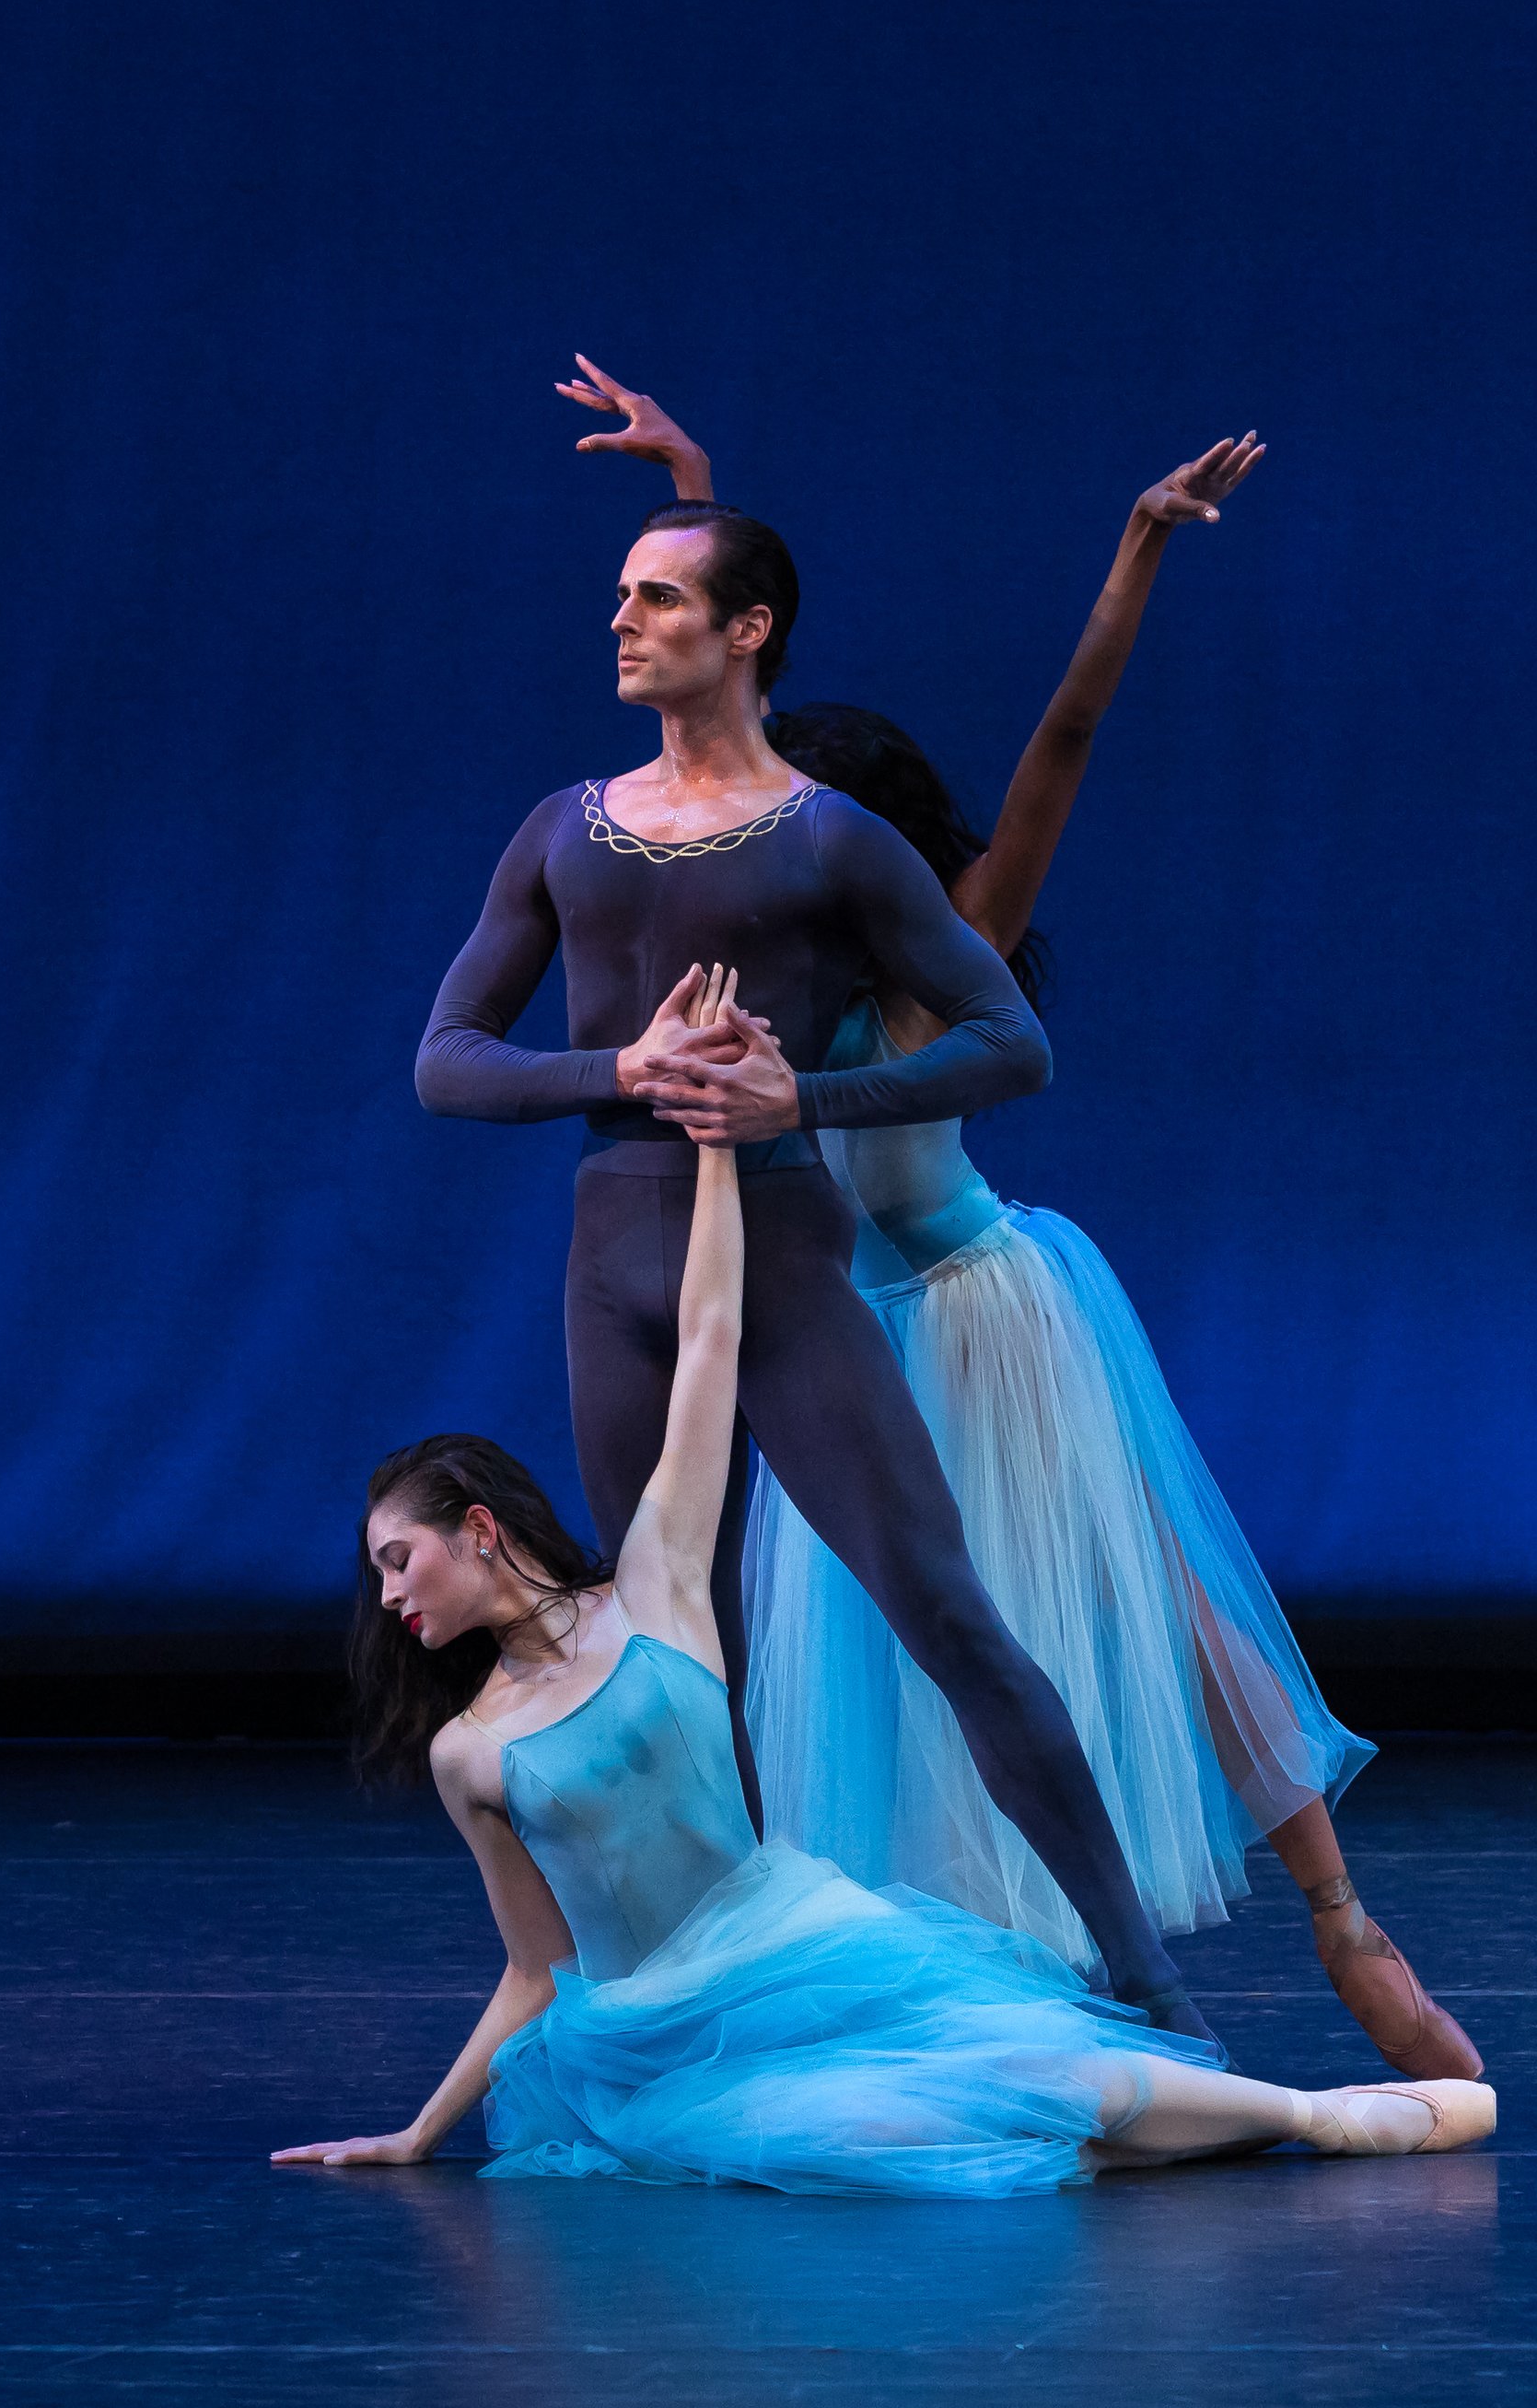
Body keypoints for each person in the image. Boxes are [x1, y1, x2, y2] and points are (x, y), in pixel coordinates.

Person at [557, 357, 1480, 2083]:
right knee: (910, 1661)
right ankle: (957, 1975)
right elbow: (725, 675)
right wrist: (691, 472)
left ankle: (1344, 1912)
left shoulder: (928, 930)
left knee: (1162, 1603)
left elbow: (1061, 737)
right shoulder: (745, 949)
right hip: (843, 1329)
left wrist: (1137, 549)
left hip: (983, 1308)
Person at [273, 999, 1496, 2192]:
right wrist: (417, 2134)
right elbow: (536, 1973)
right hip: (655, 2041)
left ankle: (1326, 2118)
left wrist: (717, 1145)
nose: (389, 1597)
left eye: (397, 1557)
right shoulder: (468, 1747)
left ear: (476, 1528)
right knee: (877, 2127)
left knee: (1025, 2064)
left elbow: (710, 1340)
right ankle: (1292, 2121)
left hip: (800, 1948)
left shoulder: (649, 1585)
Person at [413, 425, 1212, 2034]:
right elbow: (448, 1062)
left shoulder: (833, 840)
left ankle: (1143, 1971)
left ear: (747, 630)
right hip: (618, 1264)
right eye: (621, 597)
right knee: (664, 1657)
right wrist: (622, 1066)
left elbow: (1011, 1044)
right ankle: (741, 1979)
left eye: (657, 599)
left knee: (947, 1609)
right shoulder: (565, 828)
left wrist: (801, 1109)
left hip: (782, 1265)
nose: (622, 622)